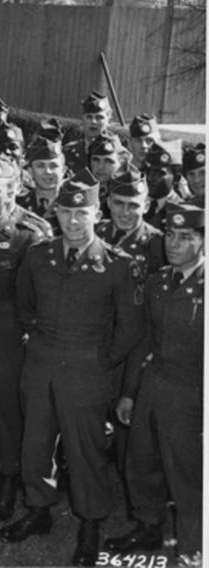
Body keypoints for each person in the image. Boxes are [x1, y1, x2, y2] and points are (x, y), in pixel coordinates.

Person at [0, 175, 145, 566]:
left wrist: (101, 361)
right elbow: (25, 306)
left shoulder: (119, 265)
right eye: (66, 212)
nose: (73, 221)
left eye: (82, 212)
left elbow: (129, 328)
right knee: (35, 444)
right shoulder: (38, 255)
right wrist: (41, 342)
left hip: (87, 369)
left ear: (97, 214)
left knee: (86, 451)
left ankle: (91, 521)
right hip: (41, 363)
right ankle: (39, 508)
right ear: (56, 212)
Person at [106, 203, 203, 567]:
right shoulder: (158, 282)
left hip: (191, 391)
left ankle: (193, 549)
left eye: (186, 238)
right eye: (171, 236)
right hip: (153, 384)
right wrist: (130, 392)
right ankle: (148, 528)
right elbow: (144, 341)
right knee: (141, 461)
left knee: (187, 475)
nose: (174, 245)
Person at [0, 159, 51, 522]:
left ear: (13, 191)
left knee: (4, 407)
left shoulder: (30, 231)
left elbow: (38, 296)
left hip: (6, 329)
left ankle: (8, 475)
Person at [64, 91, 113, 174]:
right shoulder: (68, 152)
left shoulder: (118, 154)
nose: (93, 122)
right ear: (82, 118)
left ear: (108, 119)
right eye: (89, 117)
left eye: (99, 117)